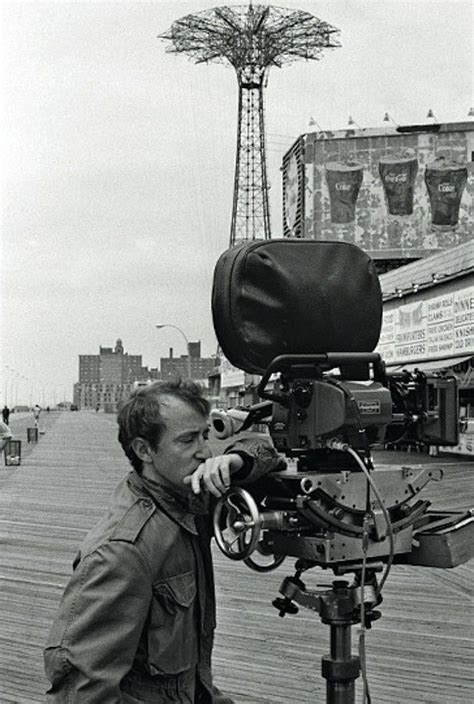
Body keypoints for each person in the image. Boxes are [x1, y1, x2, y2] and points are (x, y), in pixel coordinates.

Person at [44, 379, 284, 702]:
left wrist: (235, 461)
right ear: (144, 450)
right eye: (187, 440)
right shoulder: (122, 552)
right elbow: (81, 695)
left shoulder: (188, 497)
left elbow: (269, 451)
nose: (205, 451)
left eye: (205, 436)